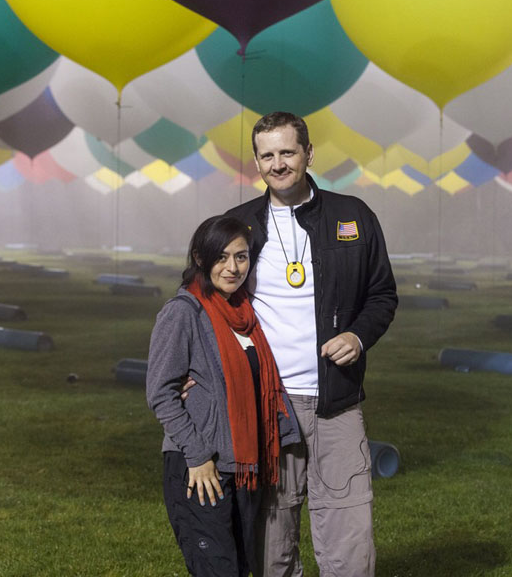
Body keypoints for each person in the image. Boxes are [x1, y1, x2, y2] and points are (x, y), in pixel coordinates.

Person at [226, 111, 399, 576]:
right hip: (267, 404)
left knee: (350, 541)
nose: (278, 164)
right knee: (269, 540)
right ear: (257, 161)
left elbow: (382, 294)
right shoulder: (237, 225)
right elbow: (207, 309)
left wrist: (359, 336)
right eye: (267, 155)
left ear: (308, 154)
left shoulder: (353, 216)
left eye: (287, 152)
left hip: (336, 402)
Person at [146, 215, 301, 577]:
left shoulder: (245, 314)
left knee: (241, 567)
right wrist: (198, 457)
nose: (233, 267)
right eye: (222, 257)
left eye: (241, 257)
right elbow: (160, 392)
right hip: (201, 466)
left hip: (244, 466)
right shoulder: (184, 312)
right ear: (200, 258)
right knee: (218, 569)